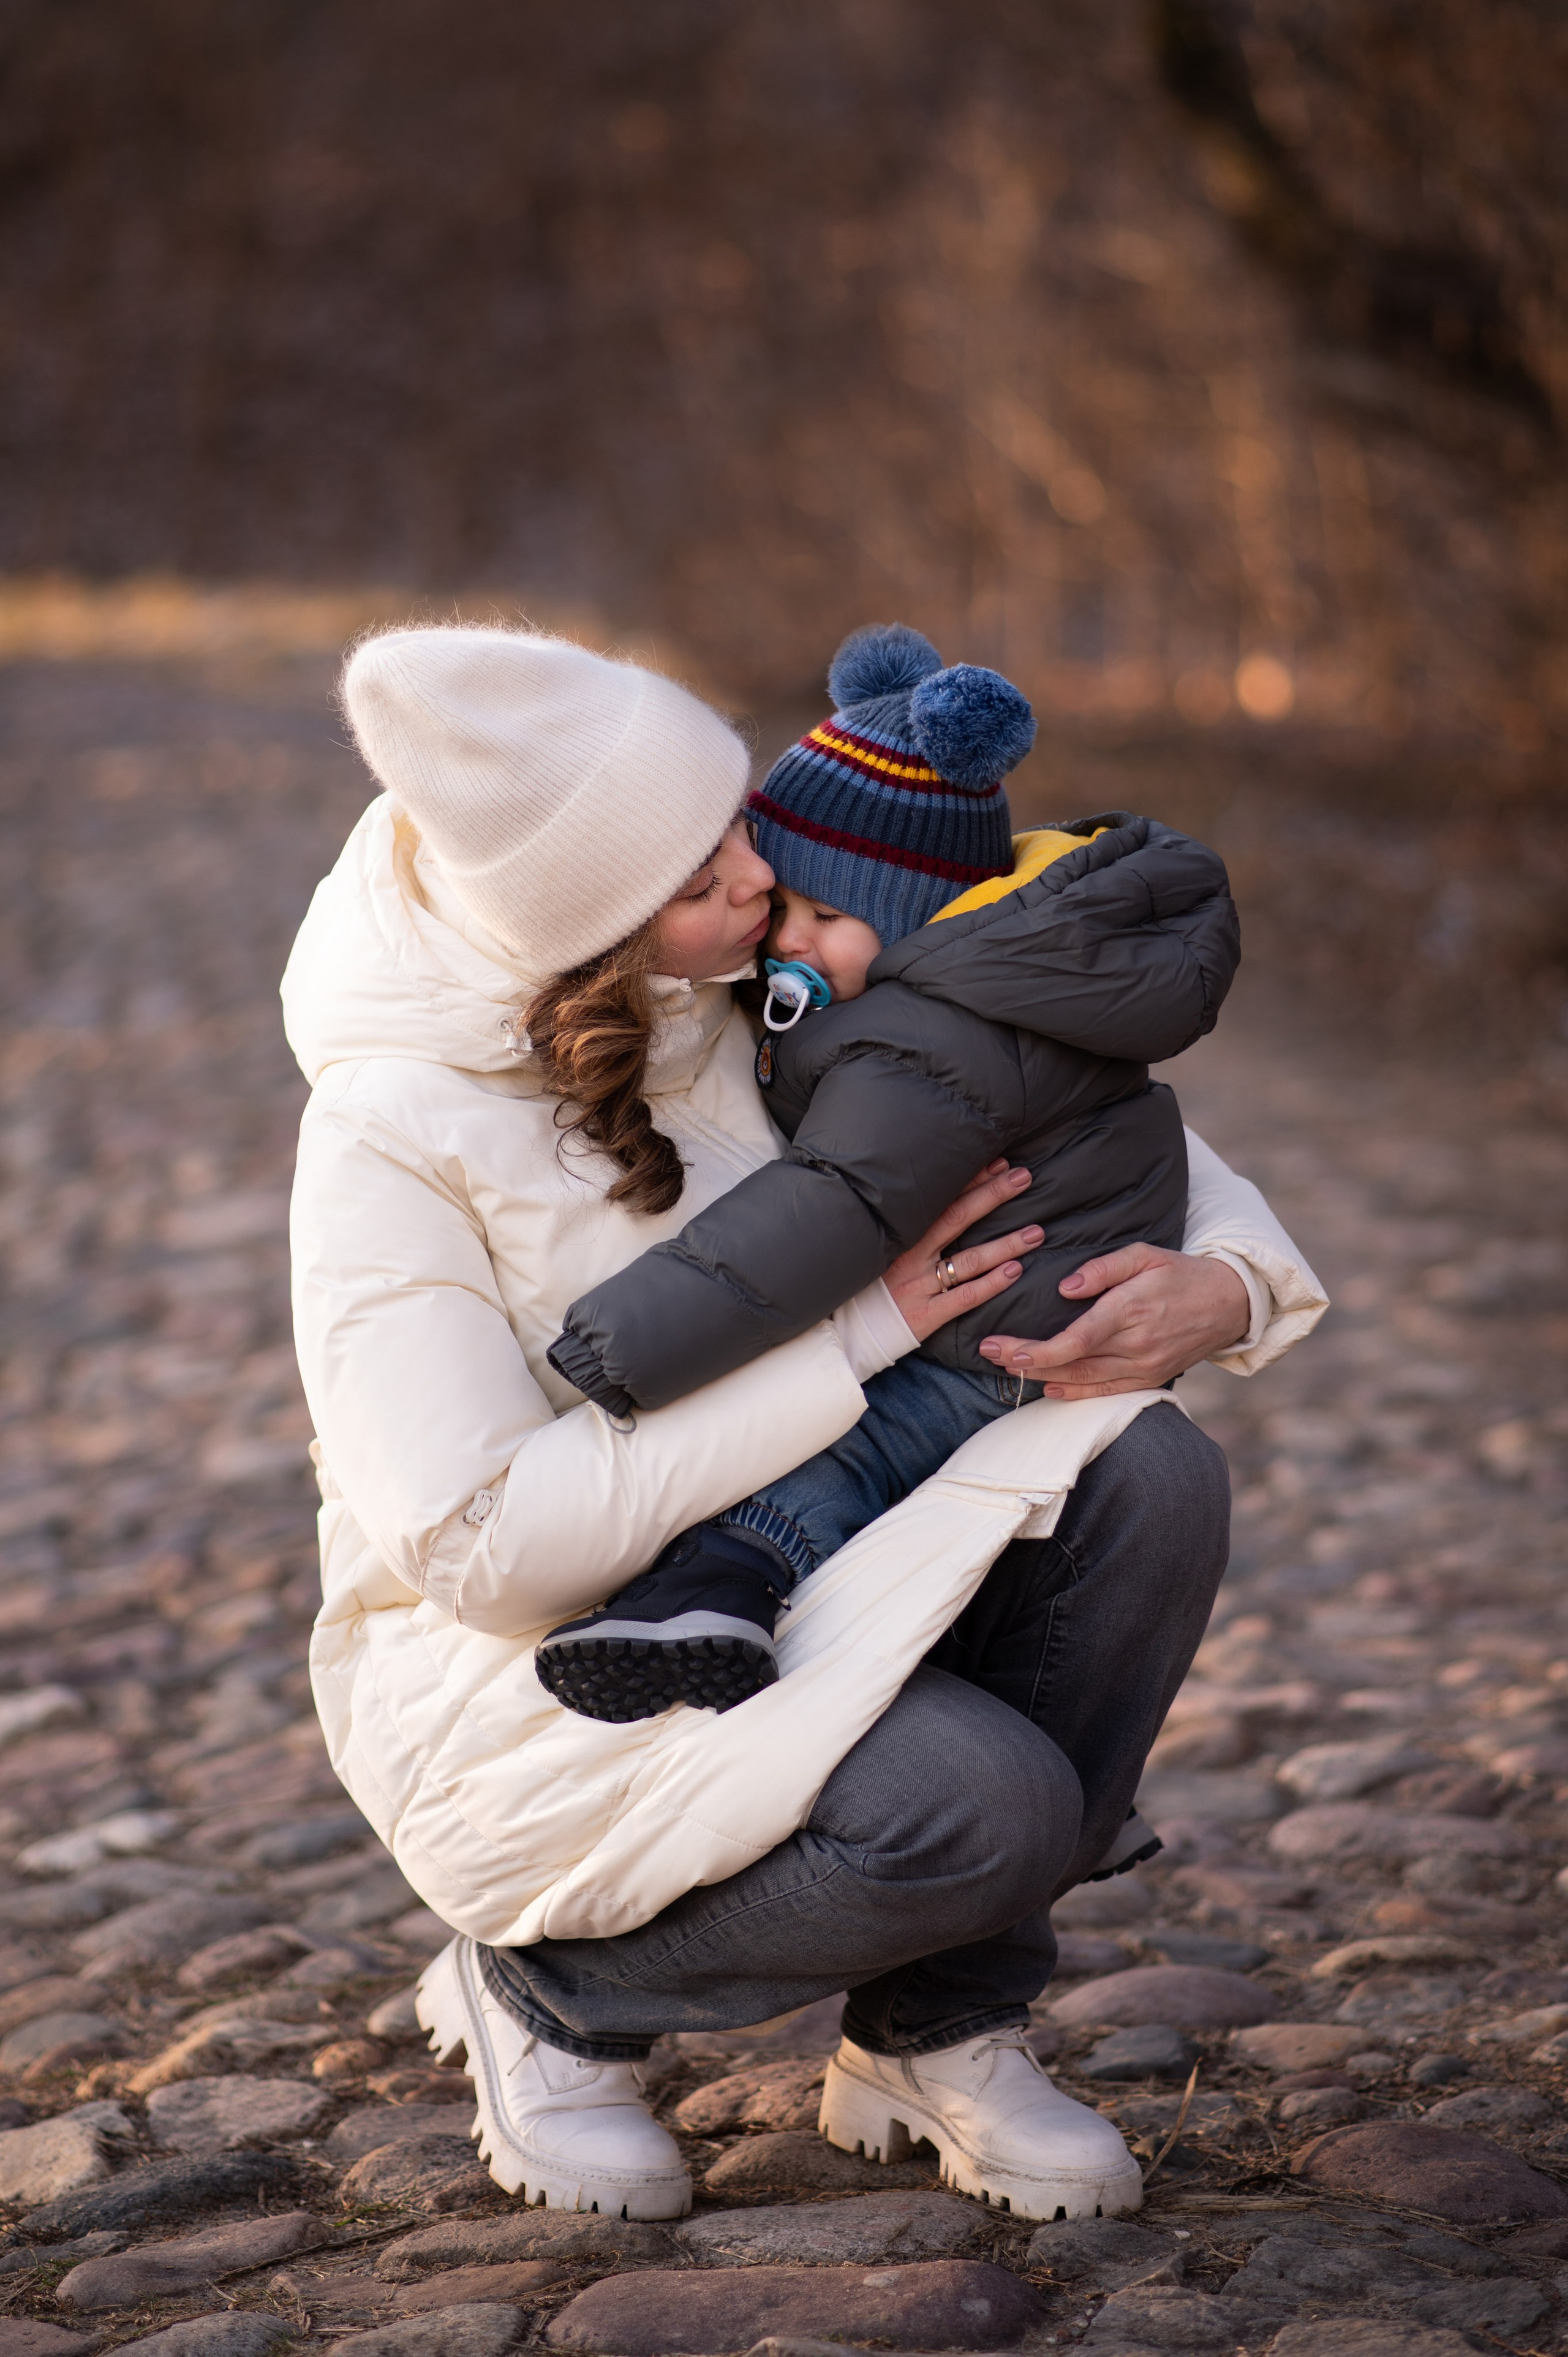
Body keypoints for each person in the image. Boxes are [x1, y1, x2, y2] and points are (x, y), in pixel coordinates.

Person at [284, 623, 1327, 2228]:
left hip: (805, 1546)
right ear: (593, 929)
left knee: (1150, 1470)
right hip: (554, 1650)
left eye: (739, 822)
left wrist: (1228, 1286)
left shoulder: (740, 972)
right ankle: (550, 1997)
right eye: (704, 869)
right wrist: (853, 1340)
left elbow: (1064, 1100)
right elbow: (482, 1549)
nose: (761, 874)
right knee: (980, 1810)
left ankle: (936, 2030)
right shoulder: (387, 1133)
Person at [539, 622, 1240, 1722]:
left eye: (827, 917)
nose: (787, 942)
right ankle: (705, 1599)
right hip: (1017, 1297)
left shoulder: (925, 1037)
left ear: (921, 917)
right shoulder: (959, 978)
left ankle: (721, 1592)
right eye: (783, 910)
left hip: (1004, 1331)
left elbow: (838, 1202)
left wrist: (626, 1339)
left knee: (857, 1452)